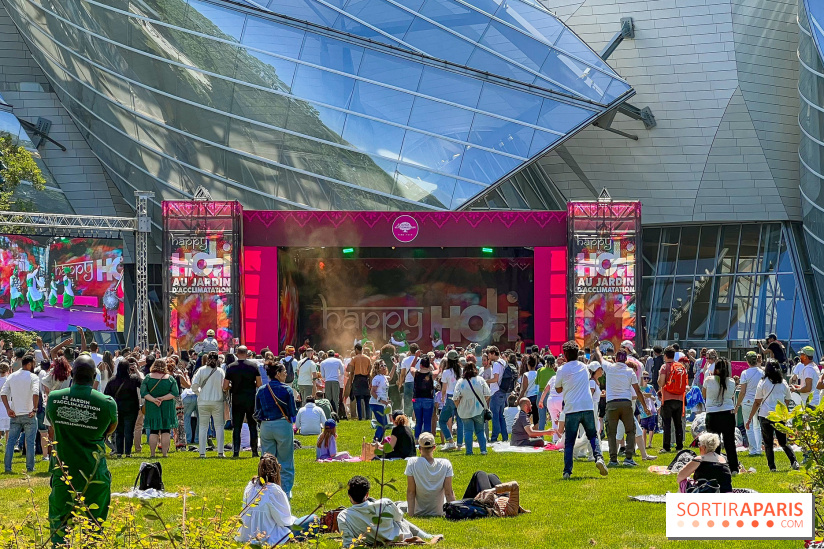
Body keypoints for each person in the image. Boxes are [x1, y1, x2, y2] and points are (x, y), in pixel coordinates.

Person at [46, 355, 117, 544]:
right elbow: (109, 430)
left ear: (72, 374)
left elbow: (53, 425)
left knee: (59, 532)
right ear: (95, 376)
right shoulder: (107, 402)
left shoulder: (54, 398)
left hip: (63, 473)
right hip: (94, 472)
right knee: (94, 531)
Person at [338, 476, 442, 548]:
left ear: (349, 495)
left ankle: (427, 536)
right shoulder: (384, 503)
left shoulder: (343, 516)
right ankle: (426, 536)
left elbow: (348, 542)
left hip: (370, 541)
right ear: (367, 494)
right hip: (398, 536)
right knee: (399, 519)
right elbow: (399, 517)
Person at [237, 454, 317, 546]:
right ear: (277, 470)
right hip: (271, 536)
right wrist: (295, 520)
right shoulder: (273, 490)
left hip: (246, 535)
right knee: (314, 519)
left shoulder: (251, 486)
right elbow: (284, 520)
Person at [554, 341, 607, 479]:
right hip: (587, 406)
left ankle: (567, 471)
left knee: (570, 442)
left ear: (565, 355)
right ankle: (599, 458)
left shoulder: (562, 370)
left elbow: (558, 389)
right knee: (593, 436)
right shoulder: (584, 367)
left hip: (572, 408)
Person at [745, 359, 799, 472]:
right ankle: (794, 461)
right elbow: (788, 399)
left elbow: (757, 402)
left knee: (768, 444)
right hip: (779, 415)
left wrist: (750, 418)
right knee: (783, 442)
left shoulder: (763, 382)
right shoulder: (783, 382)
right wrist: (783, 409)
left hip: (765, 415)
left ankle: (772, 467)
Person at [256, 362, 298, 495]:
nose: (286, 373)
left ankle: (268, 489)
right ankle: (284, 491)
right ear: (277, 374)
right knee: (285, 461)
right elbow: (292, 411)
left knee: (267, 461)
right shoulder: (287, 389)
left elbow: (257, 411)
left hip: (266, 426)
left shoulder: (261, 390)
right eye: (284, 371)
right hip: (282, 424)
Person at [603, 350, 650, 467]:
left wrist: (597, 348)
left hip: (611, 404)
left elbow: (599, 357)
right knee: (630, 431)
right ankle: (628, 458)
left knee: (611, 433)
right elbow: (638, 391)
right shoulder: (630, 372)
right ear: (625, 360)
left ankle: (613, 459)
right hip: (626, 403)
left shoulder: (609, 367)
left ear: (615, 358)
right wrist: (645, 406)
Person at [1, 354, 39, 473]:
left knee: (10, 442)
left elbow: (3, 393)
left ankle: (7, 467)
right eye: (33, 363)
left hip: (15, 413)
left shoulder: (12, 376)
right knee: (30, 442)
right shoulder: (33, 377)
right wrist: (34, 409)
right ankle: (30, 467)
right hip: (29, 414)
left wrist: (8, 408)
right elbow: (36, 393)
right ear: (29, 364)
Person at [702, 357, 739, 474]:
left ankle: (716, 466)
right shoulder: (731, 381)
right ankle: (734, 468)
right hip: (728, 413)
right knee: (730, 442)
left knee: (713, 442)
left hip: (712, 414)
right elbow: (731, 395)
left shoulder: (708, 380)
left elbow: (704, 395)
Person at [404, 433, 455, 517]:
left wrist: (411, 515)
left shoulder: (412, 463)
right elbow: (449, 493)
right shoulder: (445, 464)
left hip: (418, 511)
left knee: (400, 505)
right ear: (434, 447)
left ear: (419, 448)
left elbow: (411, 492)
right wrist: (455, 514)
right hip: (439, 511)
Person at [224, 345, 262, 458]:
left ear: (236, 354)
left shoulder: (231, 367)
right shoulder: (253, 366)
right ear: (247, 354)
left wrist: (231, 386)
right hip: (250, 398)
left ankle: (236, 452)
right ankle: (254, 451)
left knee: (237, 426)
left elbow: (225, 386)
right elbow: (259, 384)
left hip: (236, 399)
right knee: (252, 425)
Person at [140, 358, 179, 458]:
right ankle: (165, 454)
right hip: (167, 406)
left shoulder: (148, 377)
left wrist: (154, 400)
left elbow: (143, 393)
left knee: (154, 431)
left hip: (152, 406)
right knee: (166, 430)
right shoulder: (170, 378)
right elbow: (175, 393)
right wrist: (162, 398)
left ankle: (152, 453)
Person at [103, 359, 142, 457]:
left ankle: (119, 452)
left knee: (119, 431)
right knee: (129, 431)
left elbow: (107, 395)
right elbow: (143, 383)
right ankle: (128, 452)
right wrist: (137, 371)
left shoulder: (112, 380)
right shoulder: (133, 379)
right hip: (131, 408)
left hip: (117, 408)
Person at [191, 351, 226, 458]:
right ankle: (220, 452)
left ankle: (202, 452)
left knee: (203, 427)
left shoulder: (201, 370)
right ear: (218, 360)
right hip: (217, 402)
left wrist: (199, 394)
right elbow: (224, 387)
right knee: (219, 426)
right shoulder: (220, 371)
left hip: (203, 402)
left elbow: (194, 386)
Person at [452, 361, 490, 456]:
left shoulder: (460, 382)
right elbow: (488, 394)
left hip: (465, 410)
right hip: (479, 409)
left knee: (468, 431)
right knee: (480, 431)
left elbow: (455, 397)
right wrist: (482, 401)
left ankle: (469, 451)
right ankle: (483, 450)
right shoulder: (480, 380)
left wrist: (458, 407)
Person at [734, 351, 764, 456]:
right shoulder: (762, 372)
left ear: (747, 361)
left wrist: (737, 405)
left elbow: (742, 392)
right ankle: (758, 449)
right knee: (757, 426)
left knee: (749, 426)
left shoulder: (745, 373)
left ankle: (753, 449)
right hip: (759, 401)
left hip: (747, 401)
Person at [658, 346, 685, 453]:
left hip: (668, 398)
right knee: (678, 423)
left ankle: (666, 446)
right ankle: (679, 446)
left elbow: (661, 382)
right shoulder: (680, 366)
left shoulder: (664, 367)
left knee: (667, 424)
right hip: (679, 398)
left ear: (665, 355)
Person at [436, 350, 462, 451]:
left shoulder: (446, 372)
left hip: (450, 397)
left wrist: (443, 397)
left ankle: (450, 441)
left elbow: (444, 388)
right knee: (460, 422)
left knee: (442, 420)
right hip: (460, 397)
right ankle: (459, 444)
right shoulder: (461, 370)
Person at [410, 353, 436, 440]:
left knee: (418, 421)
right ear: (429, 365)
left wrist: (416, 357)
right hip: (428, 399)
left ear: (420, 365)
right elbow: (439, 369)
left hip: (416, 399)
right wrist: (433, 361)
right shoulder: (432, 374)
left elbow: (412, 367)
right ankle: (427, 440)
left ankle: (417, 439)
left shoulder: (416, 373)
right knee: (427, 421)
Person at [486, 347, 508, 443]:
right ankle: (505, 436)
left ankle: (494, 437)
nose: (488, 356)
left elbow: (495, 379)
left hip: (496, 392)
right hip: (503, 391)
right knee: (501, 416)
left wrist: (485, 381)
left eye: (489, 354)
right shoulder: (503, 362)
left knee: (495, 416)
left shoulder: (496, 364)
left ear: (494, 353)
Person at [348, 343, 372, 420]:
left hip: (357, 379)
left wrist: (351, 382)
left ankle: (360, 417)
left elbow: (351, 371)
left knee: (358, 399)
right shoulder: (368, 358)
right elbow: (370, 371)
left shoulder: (354, 358)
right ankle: (368, 416)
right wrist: (370, 382)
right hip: (365, 379)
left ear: (356, 350)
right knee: (367, 399)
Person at [369, 361, 390, 442]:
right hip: (376, 403)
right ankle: (375, 441)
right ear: (377, 368)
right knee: (382, 424)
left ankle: (379, 441)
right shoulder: (377, 378)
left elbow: (390, 377)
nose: (384, 367)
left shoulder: (384, 377)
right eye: (381, 366)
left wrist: (394, 366)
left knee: (384, 424)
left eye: (385, 365)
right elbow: (373, 391)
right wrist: (380, 400)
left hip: (381, 404)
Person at [517, 355, 540, 425]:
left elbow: (524, 389)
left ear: (528, 364)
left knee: (526, 417)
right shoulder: (538, 373)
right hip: (537, 396)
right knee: (536, 417)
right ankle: (536, 432)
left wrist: (519, 399)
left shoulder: (526, 374)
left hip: (529, 397)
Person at [535, 355, 555, 430]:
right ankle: (555, 435)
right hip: (550, 395)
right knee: (554, 417)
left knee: (542, 418)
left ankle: (541, 436)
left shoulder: (540, 370)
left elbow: (536, 382)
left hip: (540, 394)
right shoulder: (554, 373)